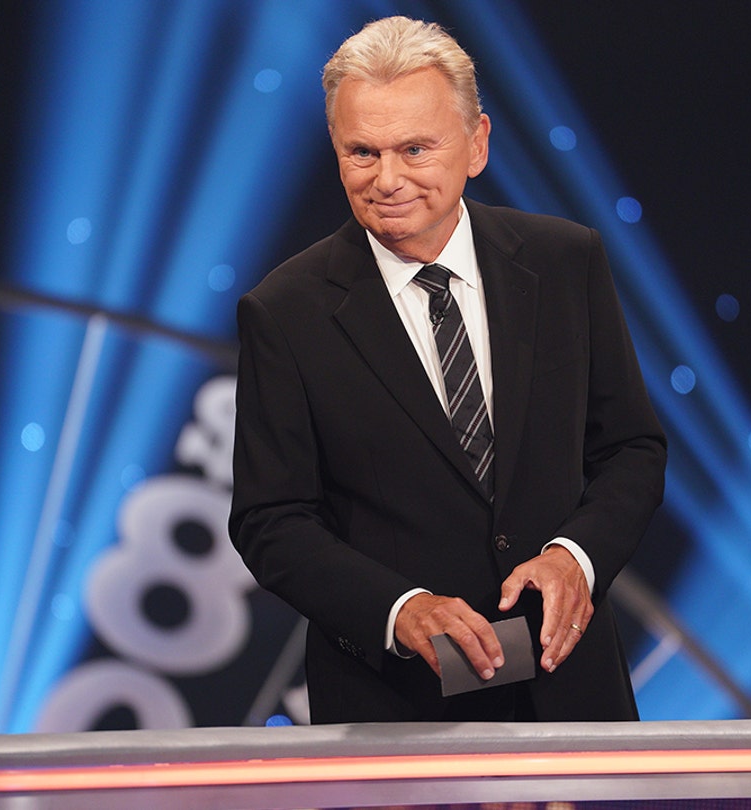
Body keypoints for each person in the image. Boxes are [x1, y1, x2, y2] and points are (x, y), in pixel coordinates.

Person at [229, 16, 666, 723]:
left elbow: (631, 450)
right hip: (398, 706)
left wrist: (575, 557)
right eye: (362, 152)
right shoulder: (284, 311)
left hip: (569, 690)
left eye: (415, 148)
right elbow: (270, 520)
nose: (388, 179)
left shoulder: (565, 262)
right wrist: (400, 610)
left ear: (477, 143)